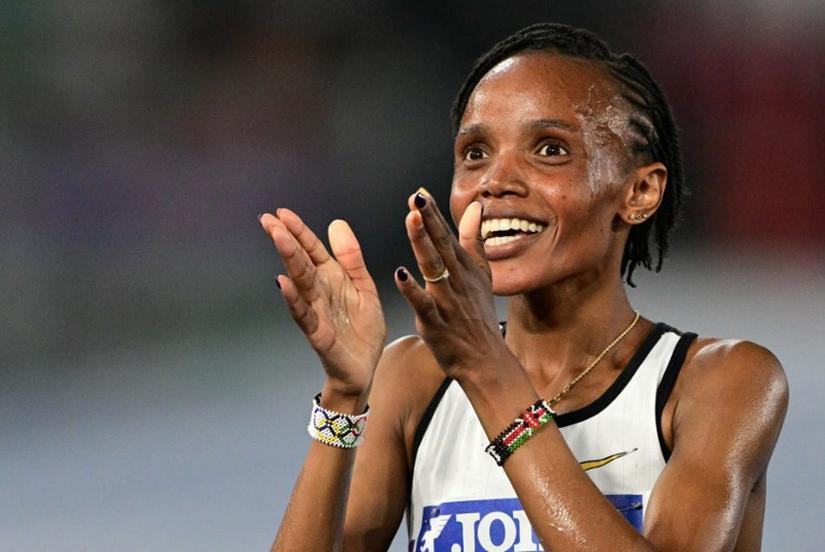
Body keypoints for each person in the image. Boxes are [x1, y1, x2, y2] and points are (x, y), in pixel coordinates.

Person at [258, 23, 788, 552]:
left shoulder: (719, 382)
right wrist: (345, 399)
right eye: (475, 153)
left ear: (640, 191)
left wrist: (488, 371)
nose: (495, 181)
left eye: (551, 149)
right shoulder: (415, 379)